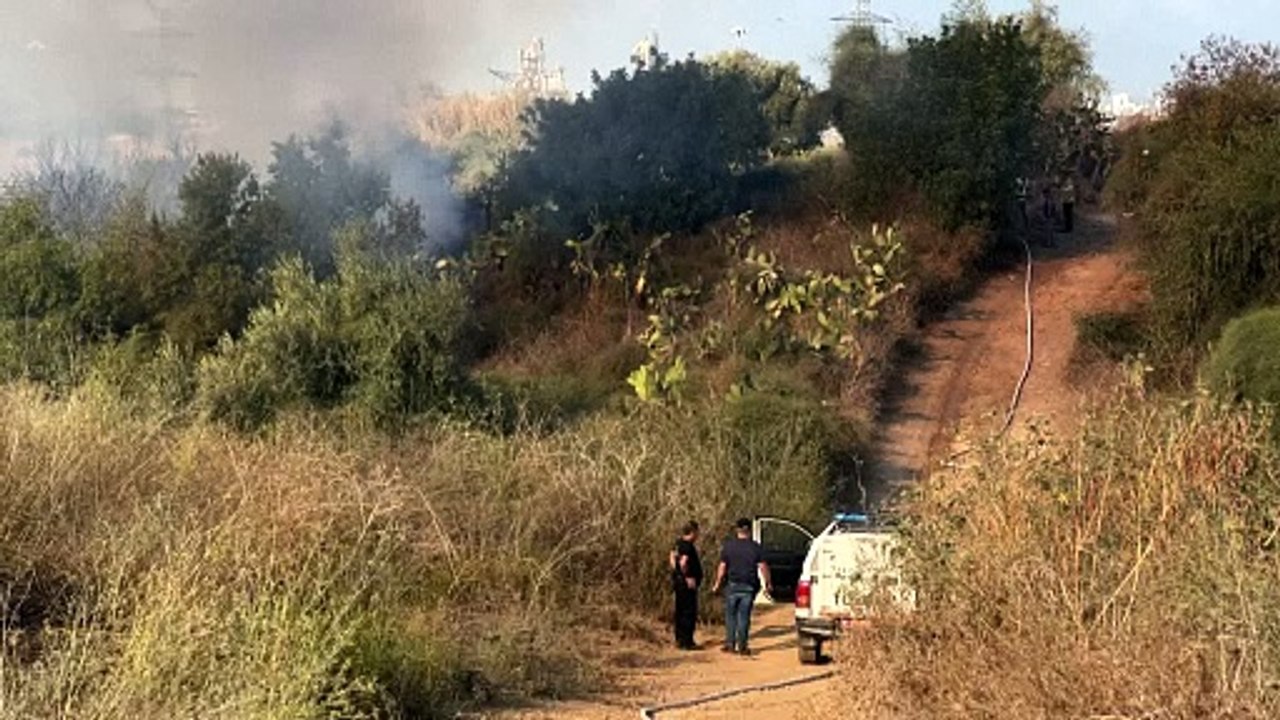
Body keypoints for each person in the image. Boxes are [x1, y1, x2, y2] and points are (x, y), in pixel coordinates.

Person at [711, 518, 772, 656]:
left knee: (730, 616)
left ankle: (730, 644)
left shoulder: (729, 546)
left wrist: (717, 584)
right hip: (749, 585)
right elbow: (763, 567)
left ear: (737, 530)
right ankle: (743, 646)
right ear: (749, 530)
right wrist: (768, 583)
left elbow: (722, 567)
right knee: (744, 616)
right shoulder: (755, 547)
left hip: (732, 584)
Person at [669, 521, 703, 650]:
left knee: (680, 610)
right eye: (697, 532)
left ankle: (679, 639)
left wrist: (676, 572)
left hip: (678, 582)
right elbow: (684, 562)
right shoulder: (688, 546)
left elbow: (672, 558)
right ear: (693, 532)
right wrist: (687, 576)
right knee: (689, 612)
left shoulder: (677, 544)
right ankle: (687, 641)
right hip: (687, 584)